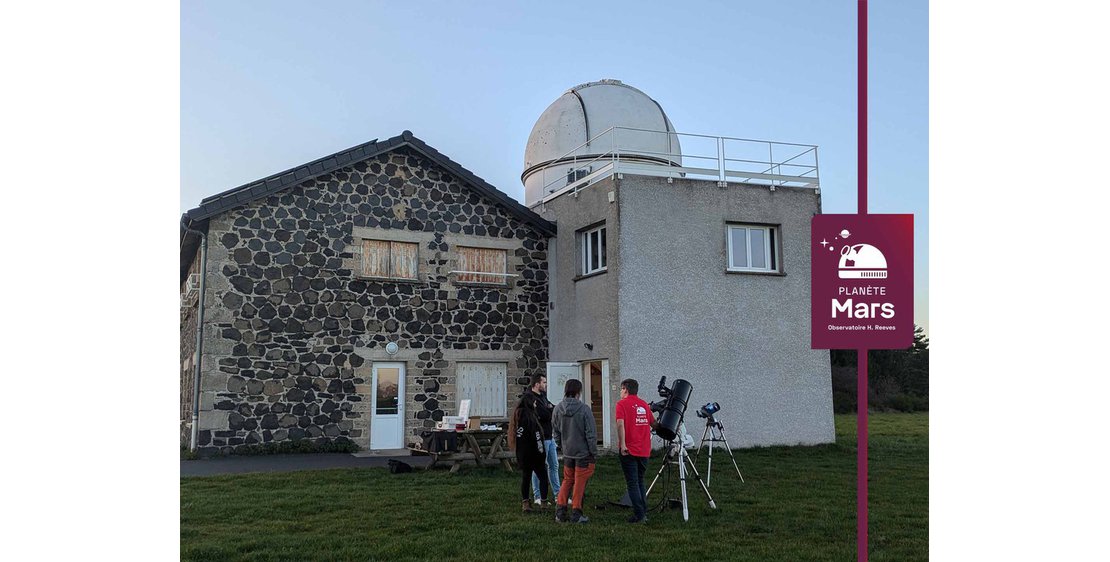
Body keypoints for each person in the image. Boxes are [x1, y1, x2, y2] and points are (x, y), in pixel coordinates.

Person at [551, 378, 597, 524]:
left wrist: (561, 446)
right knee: (579, 482)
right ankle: (576, 512)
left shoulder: (558, 408)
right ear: (579, 392)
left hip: (567, 452)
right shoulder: (584, 409)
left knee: (567, 480)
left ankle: (560, 512)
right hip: (583, 452)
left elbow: (555, 431)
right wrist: (593, 451)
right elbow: (591, 433)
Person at [616, 378, 656, 524]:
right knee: (640, 480)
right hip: (644, 450)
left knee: (632, 483)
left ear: (625, 389)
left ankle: (640, 515)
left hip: (629, 450)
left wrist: (623, 445)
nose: (620, 392)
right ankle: (643, 511)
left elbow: (620, 425)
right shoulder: (644, 404)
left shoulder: (621, 404)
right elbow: (654, 424)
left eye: (621, 389)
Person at [508, 384, 549, 513]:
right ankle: (543, 502)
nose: (536, 405)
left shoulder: (518, 417)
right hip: (535, 455)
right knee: (543, 478)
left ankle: (525, 502)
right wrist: (541, 452)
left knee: (526, 478)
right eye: (535, 403)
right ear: (530, 403)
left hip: (523, 454)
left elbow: (519, 436)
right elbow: (537, 436)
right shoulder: (531, 418)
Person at [525, 374, 561, 506]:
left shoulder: (543, 397)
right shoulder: (530, 398)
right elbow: (543, 414)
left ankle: (558, 495)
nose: (546, 385)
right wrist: (549, 410)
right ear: (536, 384)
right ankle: (538, 496)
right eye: (544, 382)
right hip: (539, 437)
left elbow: (552, 408)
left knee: (554, 465)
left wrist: (551, 409)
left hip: (549, 436)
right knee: (539, 467)